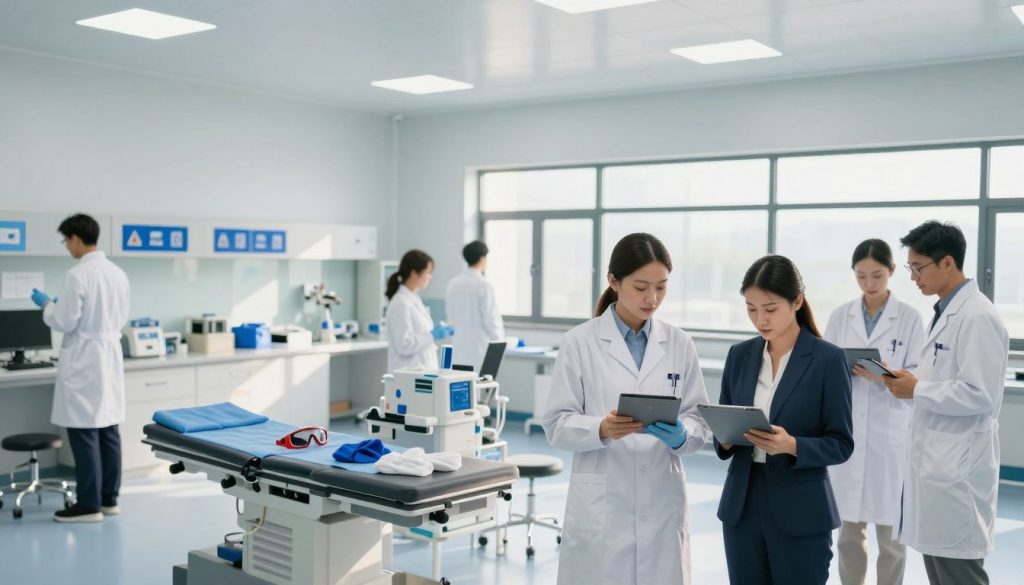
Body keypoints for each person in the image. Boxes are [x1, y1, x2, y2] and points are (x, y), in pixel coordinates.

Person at [542, 233, 712, 585]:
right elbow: (557, 424)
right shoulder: (580, 342)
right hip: (604, 501)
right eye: (641, 287)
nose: (652, 299)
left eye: (661, 287)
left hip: (662, 497)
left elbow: (699, 421)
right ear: (614, 282)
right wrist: (600, 429)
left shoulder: (679, 343)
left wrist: (683, 436)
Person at [882, 221, 1008, 585]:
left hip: (958, 477)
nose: (913, 277)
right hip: (938, 474)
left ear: (947, 263)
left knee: (959, 576)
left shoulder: (978, 316)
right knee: (940, 571)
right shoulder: (944, 313)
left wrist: (916, 389)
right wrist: (906, 385)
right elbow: (942, 383)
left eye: (918, 268)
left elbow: (979, 394)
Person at [716, 255, 853, 585]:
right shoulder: (740, 355)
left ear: (797, 302)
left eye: (770, 308)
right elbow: (723, 426)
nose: (760, 319)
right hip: (742, 506)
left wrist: (792, 445)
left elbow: (841, 444)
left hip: (801, 510)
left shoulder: (828, 360)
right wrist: (724, 438)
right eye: (751, 309)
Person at [824, 239, 925, 585]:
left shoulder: (909, 319)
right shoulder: (841, 316)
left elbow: (918, 375)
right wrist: (844, 369)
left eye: (877, 275)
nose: (869, 283)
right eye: (862, 276)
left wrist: (885, 372)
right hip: (850, 432)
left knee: (892, 536)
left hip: (890, 433)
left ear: (892, 272)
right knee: (849, 534)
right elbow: (824, 369)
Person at [31, 213, 130, 523]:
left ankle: (88, 505)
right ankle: (108, 499)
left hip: (85, 357)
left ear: (75, 238)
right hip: (108, 355)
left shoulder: (77, 274)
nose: (67, 247)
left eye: (65, 241)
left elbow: (64, 321)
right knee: (108, 430)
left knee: (84, 433)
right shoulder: (117, 273)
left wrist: (48, 306)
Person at [384, 249, 453, 371]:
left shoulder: (413, 299)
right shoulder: (401, 303)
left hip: (422, 373)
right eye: (428, 272)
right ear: (414, 273)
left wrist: (433, 333)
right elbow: (404, 345)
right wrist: (432, 335)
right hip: (408, 374)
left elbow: (420, 334)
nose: (430, 277)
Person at [445, 240, 505, 369]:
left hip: (459, 347)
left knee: (459, 386)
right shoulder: (484, 285)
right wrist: (500, 341)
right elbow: (491, 319)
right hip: (479, 348)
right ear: (482, 259)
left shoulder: (453, 284)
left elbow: (450, 315)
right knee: (480, 386)